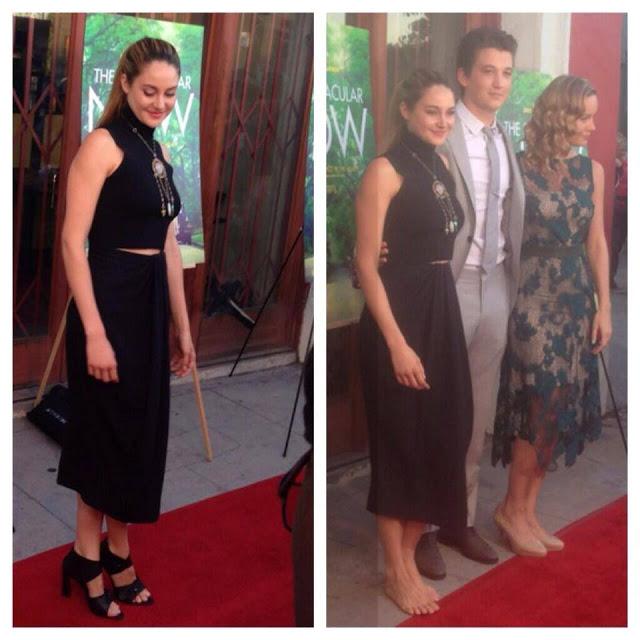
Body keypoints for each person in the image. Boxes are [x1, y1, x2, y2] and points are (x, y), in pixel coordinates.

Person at [57, 37, 195, 619]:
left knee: (138, 434)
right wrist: (93, 332)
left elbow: (168, 245)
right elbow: (72, 243)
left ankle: (118, 550)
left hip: (148, 304)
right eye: (149, 91)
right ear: (124, 83)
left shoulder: (156, 149)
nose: (160, 103)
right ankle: (86, 555)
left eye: (170, 93)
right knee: (105, 431)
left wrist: (182, 327)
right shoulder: (102, 144)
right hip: (108, 302)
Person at [356, 69, 472, 616]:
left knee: (444, 430)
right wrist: (397, 345)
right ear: (406, 110)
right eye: (432, 111)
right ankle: (396, 569)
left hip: (440, 308)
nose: (442, 121)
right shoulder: (384, 169)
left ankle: (407, 552)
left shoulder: (441, 161)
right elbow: (365, 265)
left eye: (449, 113)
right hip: (396, 316)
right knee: (400, 441)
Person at [414, 26, 525, 578]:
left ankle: (460, 518)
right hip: (446, 285)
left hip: (495, 284)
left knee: (476, 413)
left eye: (506, 73)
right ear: (463, 75)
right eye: (487, 71)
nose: (498, 82)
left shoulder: (503, 137)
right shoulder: (440, 126)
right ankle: (421, 529)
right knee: (434, 409)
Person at [491, 75, 610, 555]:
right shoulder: (518, 168)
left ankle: (526, 511)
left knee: (557, 405)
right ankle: (509, 509)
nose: (592, 126)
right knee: (537, 402)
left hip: (575, 298)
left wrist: (604, 307)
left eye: (594, 117)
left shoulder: (591, 171)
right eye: (584, 117)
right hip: (532, 299)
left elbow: (596, 242)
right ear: (559, 115)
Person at [610, 132, 627, 289]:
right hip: (616, 208)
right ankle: (610, 276)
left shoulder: (624, 164)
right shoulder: (613, 164)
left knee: (618, 243)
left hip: (623, 207)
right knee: (615, 243)